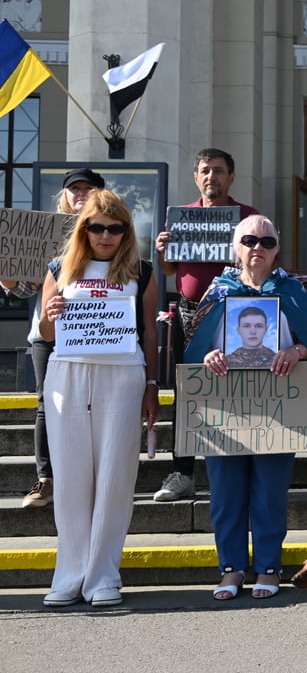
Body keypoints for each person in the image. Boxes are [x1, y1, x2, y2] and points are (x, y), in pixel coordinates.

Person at [186, 215, 307, 600]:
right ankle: (231, 569)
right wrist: (209, 355)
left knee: (269, 490)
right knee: (226, 491)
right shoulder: (217, 291)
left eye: (266, 242)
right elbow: (194, 345)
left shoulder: (294, 291)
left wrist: (298, 350)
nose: (257, 248)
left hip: (277, 401)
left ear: (277, 249)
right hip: (223, 401)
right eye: (249, 240)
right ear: (237, 248)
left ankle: (268, 567)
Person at [38, 190, 160, 607]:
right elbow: (47, 332)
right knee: (71, 476)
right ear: (83, 229)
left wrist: (151, 385)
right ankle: (69, 573)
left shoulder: (141, 272)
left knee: (114, 475)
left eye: (115, 228)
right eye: (97, 227)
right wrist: (50, 316)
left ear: (126, 231)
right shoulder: (59, 269)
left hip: (123, 375)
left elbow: (150, 332)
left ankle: (104, 574)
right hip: (68, 373)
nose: (105, 235)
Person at [153, 148, 259, 502]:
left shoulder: (249, 219)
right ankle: (182, 472)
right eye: (205, 171)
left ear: (231, 177)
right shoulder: (181, 218)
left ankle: (235, 471)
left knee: (236, 393)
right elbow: (171, 271)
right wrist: (164, 252)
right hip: (189, 313)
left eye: (218, 170)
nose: (211, 176)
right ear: (196, 178)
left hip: (234, 316)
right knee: (187, 393)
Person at [6, 168, 106, 509]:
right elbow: (20, 289)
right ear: (63, 196)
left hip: (97, 331)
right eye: (73, 189)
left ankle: (88, 479)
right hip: (49, 333)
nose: (79, 194)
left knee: (93, 405)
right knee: (46, 404)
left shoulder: (110, 231)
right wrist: (8, 277)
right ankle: (46, 478)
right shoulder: (45, 234)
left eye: (86, 188)